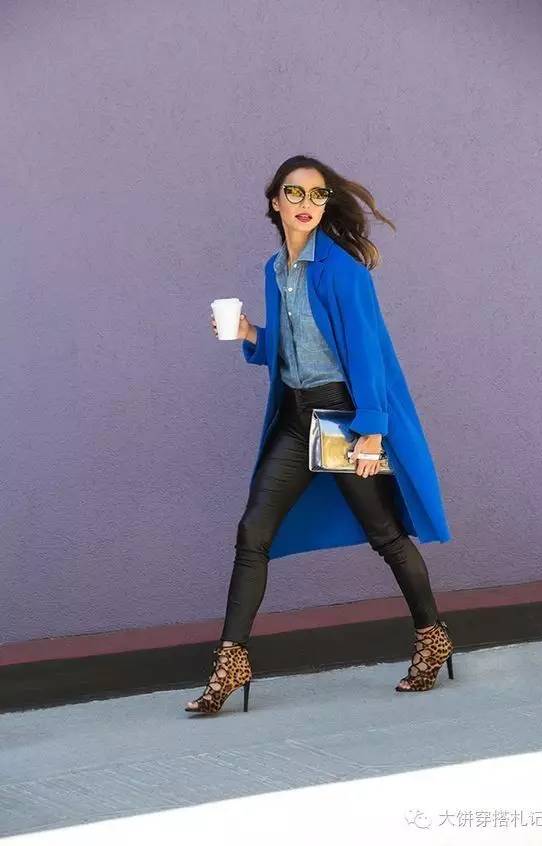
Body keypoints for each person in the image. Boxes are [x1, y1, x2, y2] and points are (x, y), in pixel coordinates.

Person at [185, 155, 454, 715]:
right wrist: (249, 333)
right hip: (293, 419)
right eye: (295, 193)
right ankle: (231, 662)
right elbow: (289, 348)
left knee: (386, 535)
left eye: (317, 194)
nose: (307, 204)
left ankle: (433, 638)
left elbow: (366, 353)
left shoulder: (343, 271)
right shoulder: (274, 269)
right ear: (275, 201)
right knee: (253, 532)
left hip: (343, 419)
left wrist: (371, 433)